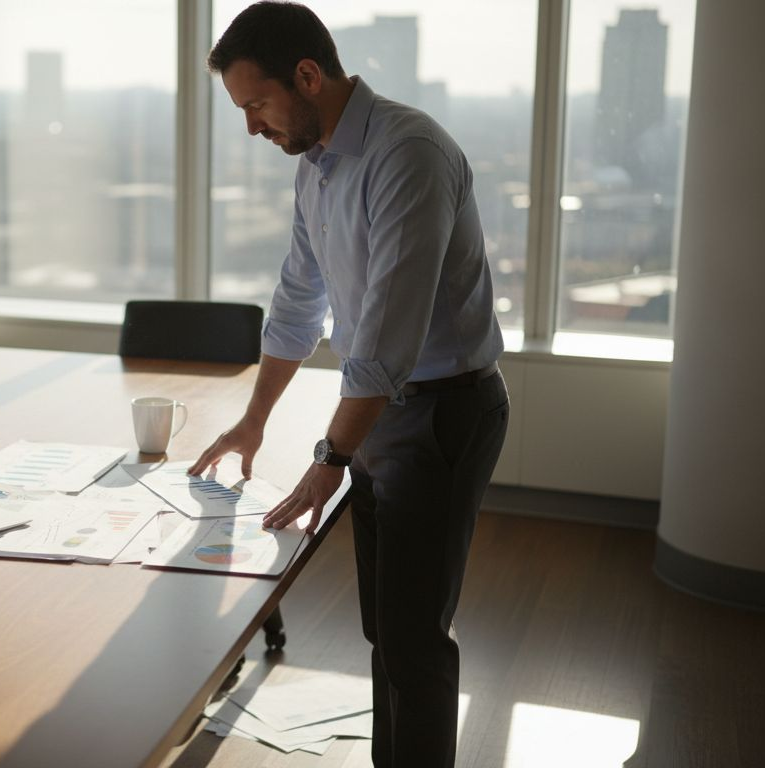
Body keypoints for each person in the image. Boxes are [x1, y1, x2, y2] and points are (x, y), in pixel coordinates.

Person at [189, 2, 510, 765]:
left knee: (413, 639)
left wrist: (330, 457)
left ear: (308, 76)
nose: (252, 128)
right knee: (385, 631)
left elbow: (388, 341)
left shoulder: (409, 154)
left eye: (257, 104)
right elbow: (300, 302)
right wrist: (255, 420)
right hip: (381, 413)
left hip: (440, 413)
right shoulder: (320, 164)